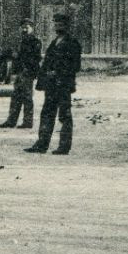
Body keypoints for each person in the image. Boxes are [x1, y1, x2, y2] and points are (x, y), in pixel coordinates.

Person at [28, 15, 83, 155]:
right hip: (51, 86)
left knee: (64, 115)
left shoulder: (73, 43)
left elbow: (75, 66)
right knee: (47, 113)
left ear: (67, 26)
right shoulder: (54, 42)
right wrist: (44, 77)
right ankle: (41, 144)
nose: (58, 27)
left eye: (61, 24)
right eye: (56, 24)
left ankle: (64, 147)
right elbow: (46, 63)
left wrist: (57, 73)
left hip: (63, 85)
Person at [0, 19, 43, 129]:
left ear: (32, 28)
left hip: (28, 72)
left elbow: (35, 58)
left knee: (27, 97)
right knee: (15, 97)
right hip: (19, 72)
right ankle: (11, 121)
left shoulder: (35, 41)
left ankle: (28, 122)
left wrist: (19, 57)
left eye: (27, 27)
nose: (24, 29)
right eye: (23, 27)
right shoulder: (21, 41)